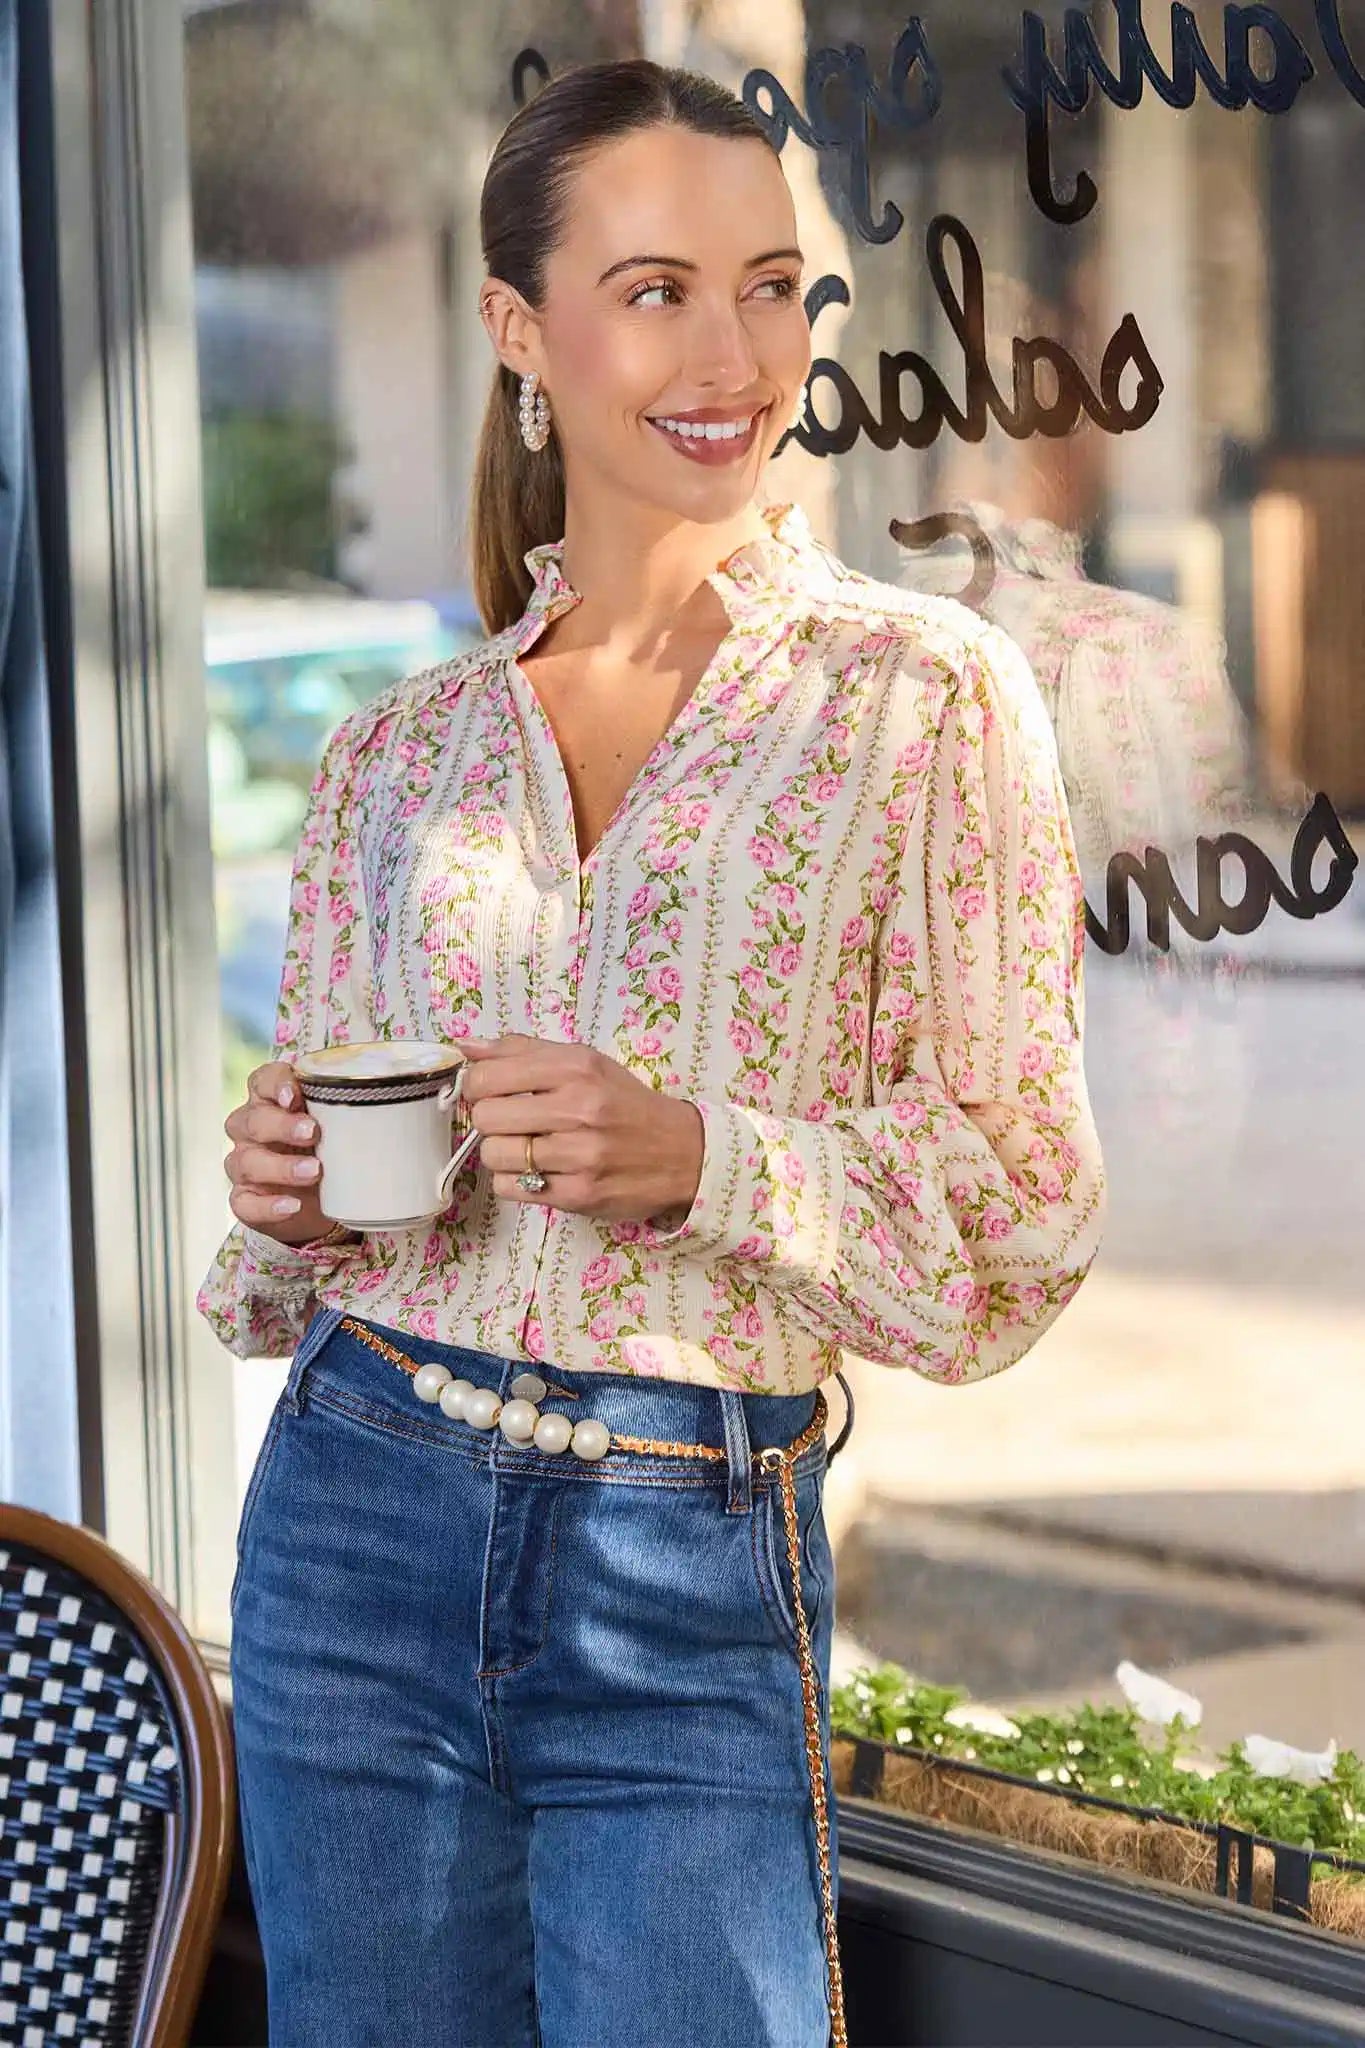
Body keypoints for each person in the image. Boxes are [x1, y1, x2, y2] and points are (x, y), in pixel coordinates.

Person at [198, 57, 1106, 2048]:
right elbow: (280, 1285)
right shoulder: (396, 751)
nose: (734, 353)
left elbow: (1017, 1228)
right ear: (522, 329)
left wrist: (697, 1153)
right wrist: (272, 1193)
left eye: (772, 287)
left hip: (679, 1544)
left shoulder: (920, 702)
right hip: (356, 1522)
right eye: (657, 289)